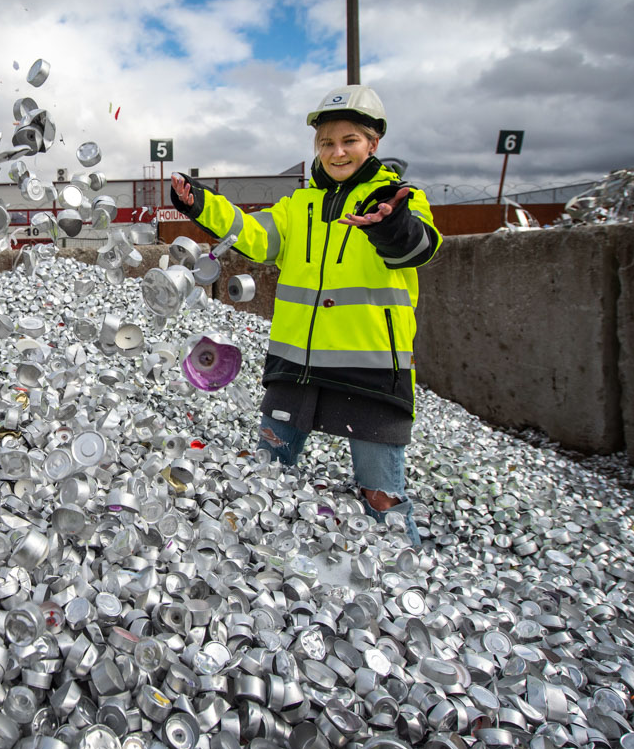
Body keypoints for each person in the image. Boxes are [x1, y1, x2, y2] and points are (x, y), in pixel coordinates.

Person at [170, 85, 440, 545]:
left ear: (373, 143)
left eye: (349, 140)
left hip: (370, 370)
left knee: (380, 496)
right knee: (266, 473)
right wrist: (201, 203)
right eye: (326, 143)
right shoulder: (300, 206)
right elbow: (253, 235)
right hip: (295, 368)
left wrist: (390, 226)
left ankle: (409, 577)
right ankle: (250, 561)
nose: (337, 152)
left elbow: (419, 248)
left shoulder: (397, 200)